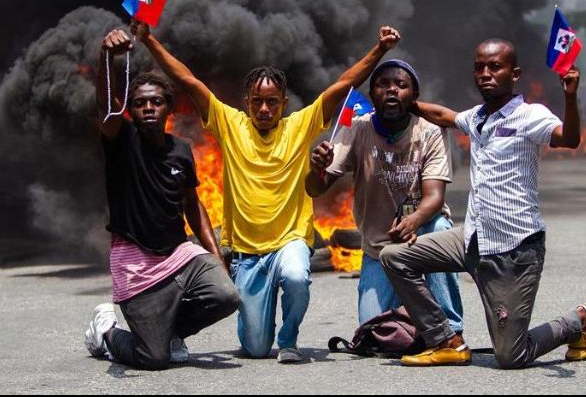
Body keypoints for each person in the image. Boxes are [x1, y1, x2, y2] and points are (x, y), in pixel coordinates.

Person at [130, 20, 400, 363]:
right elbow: (187, 81)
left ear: (283, 103)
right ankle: (262, 325)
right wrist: (150, 40)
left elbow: (344, 84)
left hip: (290, 242)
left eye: (272, 102)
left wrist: (380, 50)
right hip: (247, 253)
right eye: (257, 101)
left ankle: (289, 338)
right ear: (247, 101)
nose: (264, 109)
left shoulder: (300, 125)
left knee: (296, 275)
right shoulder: (230, 124)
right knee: (255, 348)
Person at [380, 39, 586, 369]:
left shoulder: (529, 116)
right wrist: (407, 102)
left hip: (514, 250)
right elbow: (443, 116)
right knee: (394, 257)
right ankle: (446, 340)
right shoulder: (477, 118)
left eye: (495, 67)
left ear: (515, 73)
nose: (485, 73)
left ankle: (577, 321)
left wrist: (569, 96)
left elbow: (569, 138)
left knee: (510, 356)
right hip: (472, 239)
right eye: (479, 67)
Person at [83, 29, 240, 370]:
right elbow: (105, 108)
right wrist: (106, 58)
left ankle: (170, 332)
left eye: (156, 101)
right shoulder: (120, 140)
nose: (148, 108)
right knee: (152, 359)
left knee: (226, 295)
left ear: (169, 106)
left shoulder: (181, 150)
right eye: (139, 103)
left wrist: (215, 258)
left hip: (179, 254)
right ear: (132, 111)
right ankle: (108, 332)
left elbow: (192, 205)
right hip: (137, 264)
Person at [304, 59, 464, 330]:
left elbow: (434, 197)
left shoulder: (430, 132)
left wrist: (412, 222)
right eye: (383, 84)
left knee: (439, 228)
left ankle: (451, 330)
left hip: (422, 233)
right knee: (373, 331)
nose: (391, 90)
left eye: (401, 85)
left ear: (414, 97)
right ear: (372, 95)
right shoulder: (357, 128)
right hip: (379, 246)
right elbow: (315, 189)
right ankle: (412, 315)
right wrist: (316, 169)